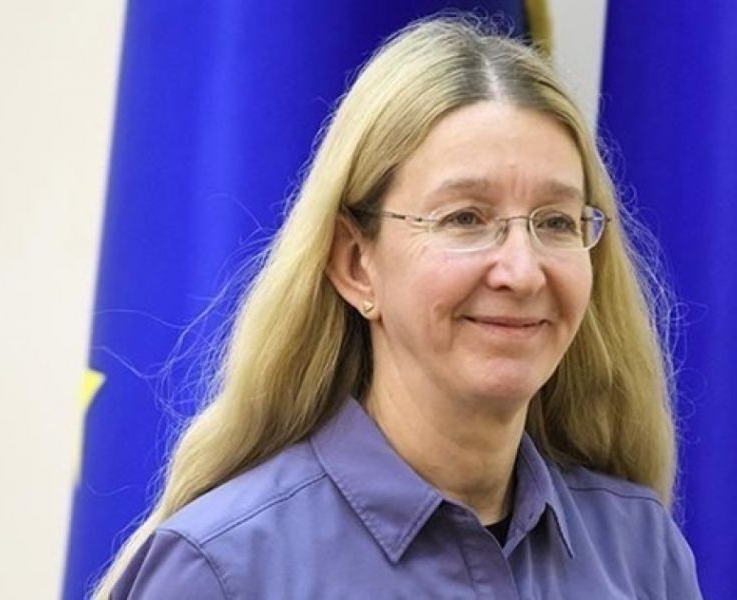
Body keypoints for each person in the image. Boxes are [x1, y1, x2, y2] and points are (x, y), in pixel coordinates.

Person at [98, 16, 702, 599]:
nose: (522, 271)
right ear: (355, 264)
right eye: (465, 218)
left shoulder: (639, 551)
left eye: (555, 222)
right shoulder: (221, 572)